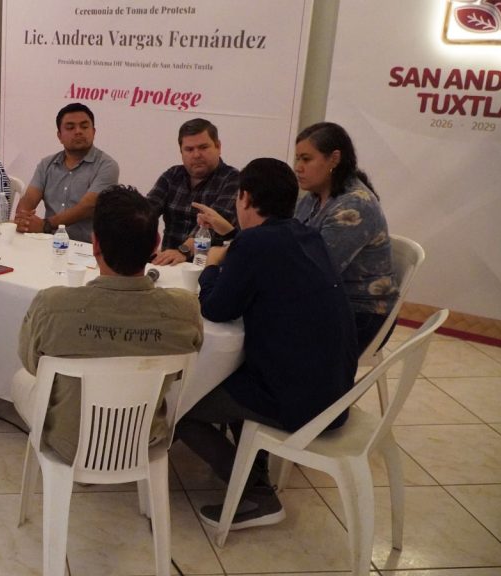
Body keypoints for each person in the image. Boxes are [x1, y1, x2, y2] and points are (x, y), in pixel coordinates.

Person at [176, 158, 358, 531]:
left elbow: (217, 308)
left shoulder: (256, 243)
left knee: (183, 405)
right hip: (335, 389)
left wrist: (211, 267)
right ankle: (251, 466)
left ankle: (255, 493)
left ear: (244, 198)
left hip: (301, 401)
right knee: (229, 376)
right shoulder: (305, 234)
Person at [13, 184, 203, 465]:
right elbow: (179, 374)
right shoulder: (186, 309)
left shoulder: (51, 305)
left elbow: (32, 364)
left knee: (21, 378)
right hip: (143, 440)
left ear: (95, 244)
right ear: (156, 243)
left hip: (70, 444)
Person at [294, 122, 398, 352]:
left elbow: (313, 271)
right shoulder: (313, 197)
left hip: (361, 314)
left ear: (334, 159)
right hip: (328, 300)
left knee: (269, 333)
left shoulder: (354, 205)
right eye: (297, 159)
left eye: (306, 159)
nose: (298, 167)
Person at [14, 103, 119, 243]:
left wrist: (46, 225)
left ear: (94, 132)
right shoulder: (47, 164)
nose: (78, 132)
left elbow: (87, 207)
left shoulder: (107, 166)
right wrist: (23, 220)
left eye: (84, 126)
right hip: (48, 243)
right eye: (70, 128)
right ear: (59, 136)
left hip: (87, 247)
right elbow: (28, 200)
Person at [147, 118, 240, 265]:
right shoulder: (172, 175)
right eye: (189, 149)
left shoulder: (233, 179)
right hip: (168, 264)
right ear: (181, 152)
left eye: (203, 147)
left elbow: (211, 224)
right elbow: (146, 212)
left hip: (209, 267)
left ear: (218, 146)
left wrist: (183, 251)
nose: (196, 155)